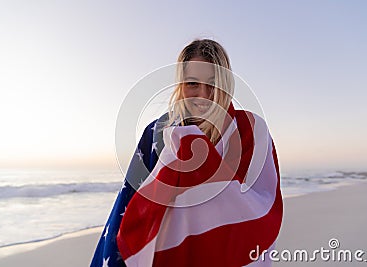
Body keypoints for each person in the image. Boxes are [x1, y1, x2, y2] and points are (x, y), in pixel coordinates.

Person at [91, 39, 283, 267]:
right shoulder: (157, 133)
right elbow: (133, 207)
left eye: (213, 83)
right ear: (180, 85)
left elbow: (261, 207)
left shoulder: (250, 130)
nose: (203, 94)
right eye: (193, 83)